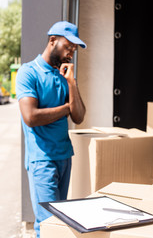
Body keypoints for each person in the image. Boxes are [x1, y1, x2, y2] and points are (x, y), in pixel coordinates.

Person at [16, 21, 86, 237]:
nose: (71, 53)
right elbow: (30, 117)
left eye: (74, 49)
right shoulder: (28, 72)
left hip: (64, 157)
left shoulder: (65, 77)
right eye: (68, 46)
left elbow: (79, 116)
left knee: (60, 223)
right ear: (52, 40)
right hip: (42, 159)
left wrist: (72, 83)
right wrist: (66, 107)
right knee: (47, 225)